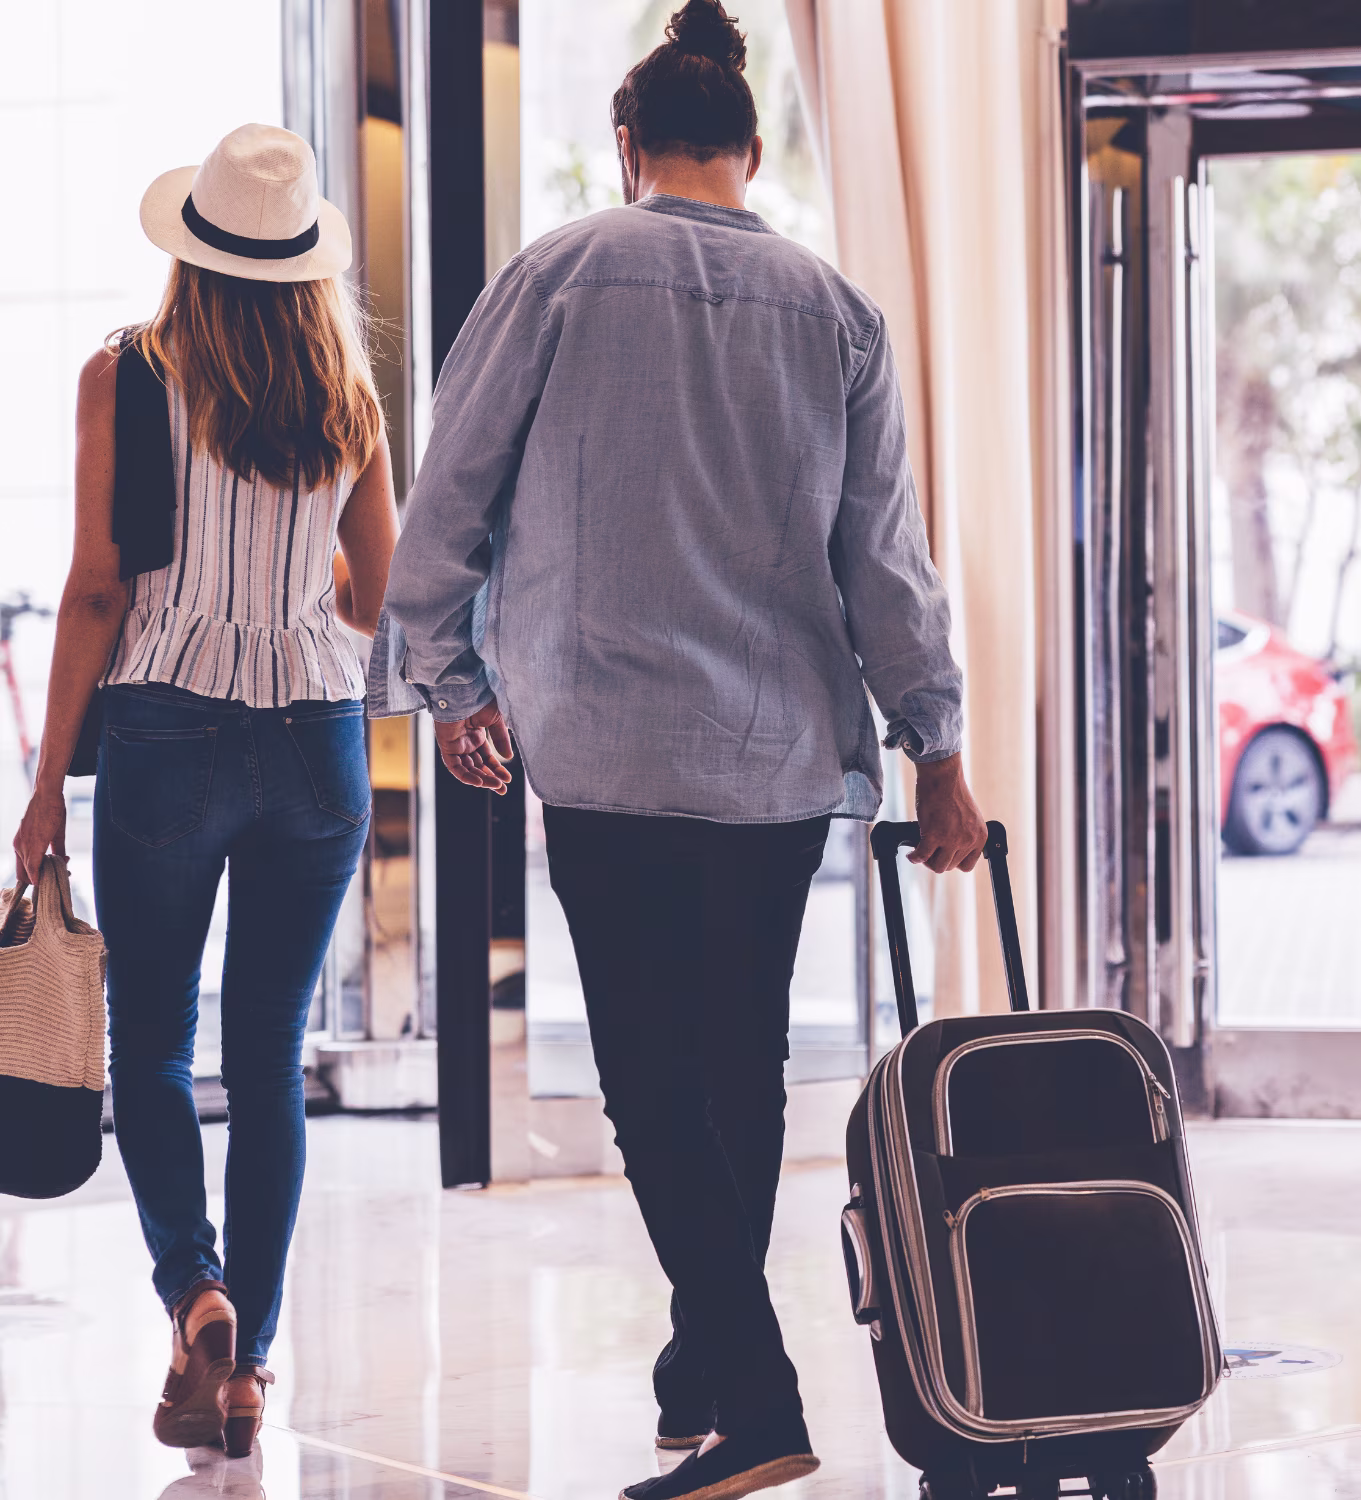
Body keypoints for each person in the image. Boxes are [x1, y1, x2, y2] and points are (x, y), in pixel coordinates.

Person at [380, 5, 983, 1497]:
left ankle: (758, 1398)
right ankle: (704, 1355)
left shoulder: (557, 275)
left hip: (605, 748)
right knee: (738, 1061)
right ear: (756, 152)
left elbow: (442, 508)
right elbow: (885, 570)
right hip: (774, 763)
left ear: (629, 148)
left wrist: (455, 687)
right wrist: (940, 747)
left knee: (650, 1080)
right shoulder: (841, 314)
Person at [10, 124, 396, 1461]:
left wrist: (45, 782)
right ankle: (251, 1373)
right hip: (318, 744)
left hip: (167, 734)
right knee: (272, 1055)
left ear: (191, 248)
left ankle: (198, 1291)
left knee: (154, 1046)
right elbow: (381, 587)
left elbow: (99, 588)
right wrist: (295, 606)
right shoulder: (347, 385)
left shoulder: (126, 375)